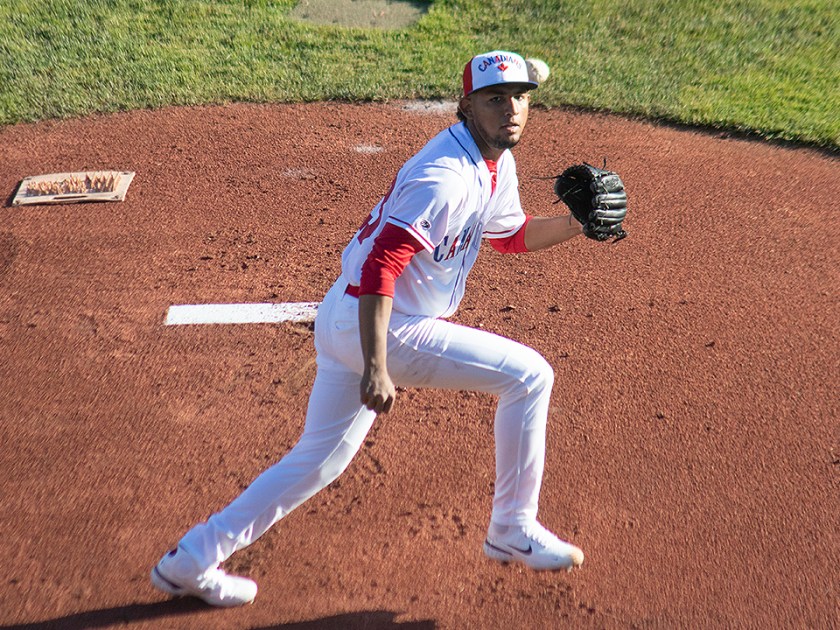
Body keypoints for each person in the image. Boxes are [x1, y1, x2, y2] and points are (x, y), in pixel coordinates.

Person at [151, 50, 586, 608]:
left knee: (317, 462)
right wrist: (377, 366)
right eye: (495, 99)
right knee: (529, 376)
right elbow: (383, 266)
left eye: (520, 98)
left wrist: (575, 225)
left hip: (345, 317)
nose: (511, 110)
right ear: (467, 105)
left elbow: (509, 235)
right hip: (381, 326)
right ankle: (512, 528)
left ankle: (191, 559)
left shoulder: (494, 162)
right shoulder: (445, 177)